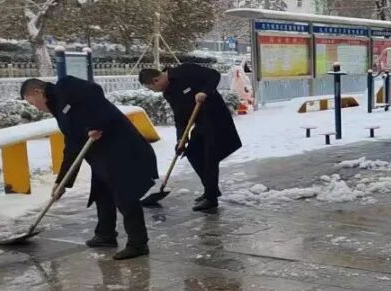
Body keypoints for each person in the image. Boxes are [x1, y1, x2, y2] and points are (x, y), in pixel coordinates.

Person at [20, 76, 158, 260]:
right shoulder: (59, 110)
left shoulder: (65, 86)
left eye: (32, 102)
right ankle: (105, 235)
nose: (35, 107)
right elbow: (72, 146)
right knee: (102, 194)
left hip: (123, 151)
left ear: (38, 91)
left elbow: (94, 91)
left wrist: (96, 124)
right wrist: (62, 182)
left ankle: (138, 244)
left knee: (125, 197)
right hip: (103, 157)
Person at [140, 64, 242, 212]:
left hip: (216, 118)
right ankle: (211, 189)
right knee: (193, 153)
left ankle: (211, 198)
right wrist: (181, 139)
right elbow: (180, 117)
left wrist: (204, 92)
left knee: (209, 156)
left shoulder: (185, 70)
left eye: (152, 88)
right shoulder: (169, 93)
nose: (154, 91)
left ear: (156, 80)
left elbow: (214, 75)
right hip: (201, 123)